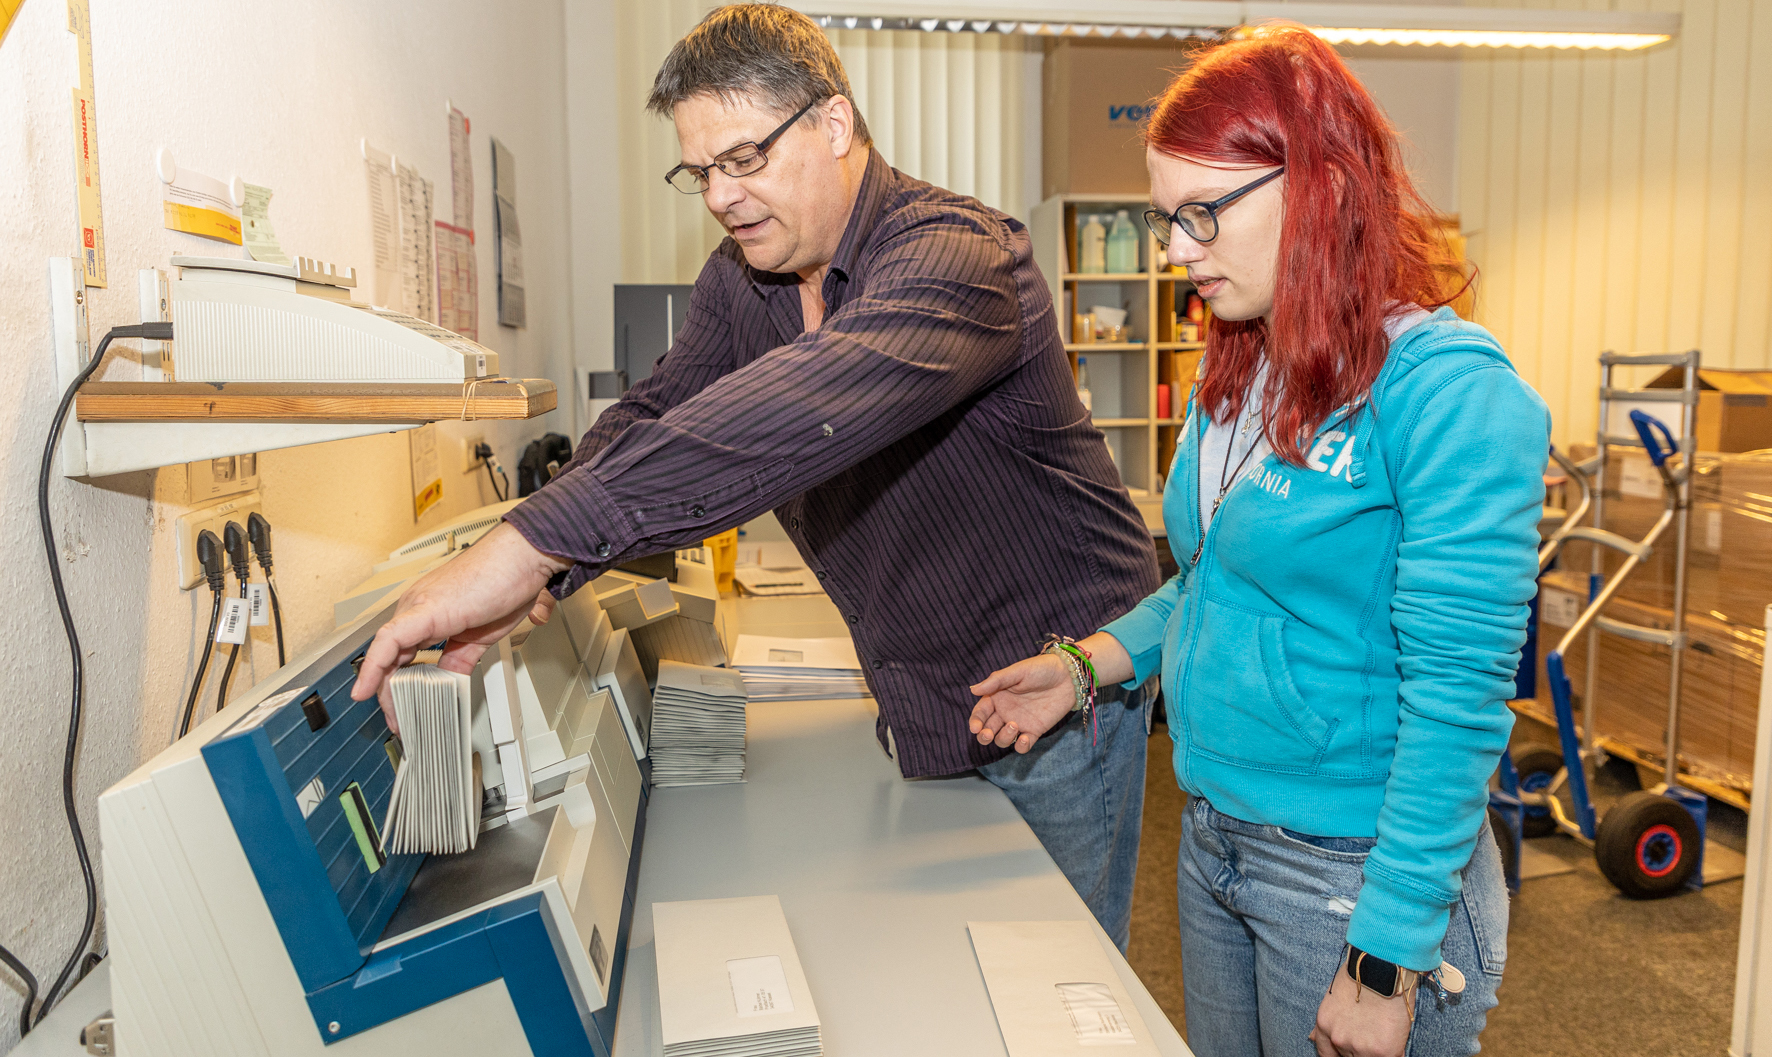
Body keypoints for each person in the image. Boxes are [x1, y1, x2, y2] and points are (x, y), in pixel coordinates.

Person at [349, 5, 1160, 949]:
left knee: (1051, 980)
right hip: (924, 681)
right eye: (700, 173)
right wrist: (545, 563)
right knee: (950, 963)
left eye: (744, 159)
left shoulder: (961, 255)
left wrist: (530, 544)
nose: (722, 198)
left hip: (1054, 684)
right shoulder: (743, 281)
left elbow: (804, 409)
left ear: (834, 122)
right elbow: (656, 414)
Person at [968, 25, 1547, 1057]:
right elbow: (1211, 580)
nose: (1176, 250)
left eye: (1202, 214)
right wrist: (1085, 667)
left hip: (1355, 875)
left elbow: (1459, 703)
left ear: (1320, 188)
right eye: (1165, 219)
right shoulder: (1244, 367)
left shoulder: (1447, 390)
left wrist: (1384, 958)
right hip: (1214, 837)